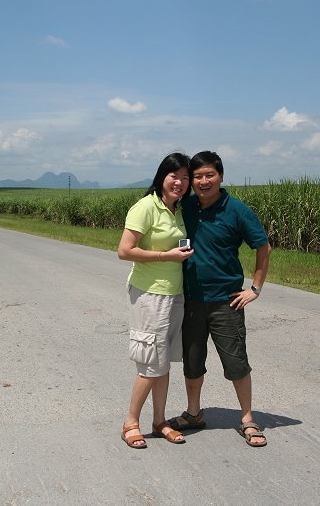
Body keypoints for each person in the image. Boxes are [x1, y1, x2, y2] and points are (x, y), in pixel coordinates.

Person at [170, 150, 271, 447]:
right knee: (192, 361)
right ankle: (193, 413)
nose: (203, 181)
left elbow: (263, 247)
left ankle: (248, 418)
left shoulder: (237, 210)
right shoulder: (184, 206)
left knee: (236, 362)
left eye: (209, 175)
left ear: (221, 176)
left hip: (226, 301)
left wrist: (254, 288)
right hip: (190, 300)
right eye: (197, 176)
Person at [117, 152, 194, 449]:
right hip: (149, 294)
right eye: (175, 176)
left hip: (174, 293)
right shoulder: (145, 207)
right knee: (150, 362)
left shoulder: (176, 209)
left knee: (163, 362)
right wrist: (166, 255)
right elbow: (124, 251)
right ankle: (130, 422)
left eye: (186, 178)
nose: (181, 182)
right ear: (162, 176)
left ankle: (159, 420)